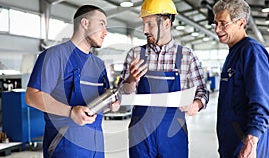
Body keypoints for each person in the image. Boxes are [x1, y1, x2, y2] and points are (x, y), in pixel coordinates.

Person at [25, 5, 119, 158]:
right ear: (85, 23)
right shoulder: (55, 56)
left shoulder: (98, 64)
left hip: (96, 147)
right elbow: (32, 96)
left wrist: (111, 105)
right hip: (65, 148)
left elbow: (97, 107)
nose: (105, 32)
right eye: (101, 24)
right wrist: (70, 112)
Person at [119, 0, 209, 157]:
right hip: (141, 134)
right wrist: (131, 80)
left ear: (167, 23)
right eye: (143, 24)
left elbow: (202, 91)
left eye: (150, 24)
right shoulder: (135, 55)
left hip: (173, 133)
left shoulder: (186, 56)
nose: (144, 29)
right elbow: (122, 94)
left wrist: (196, 104)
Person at [212, 0, 269, 157]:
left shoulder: (251, 52)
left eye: (223, 23)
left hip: (246, 146)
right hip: (232, 144)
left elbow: (262, 101)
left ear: (241, 23)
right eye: (215, 23)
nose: (217, 29)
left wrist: (251, 141)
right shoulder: (233, 53)